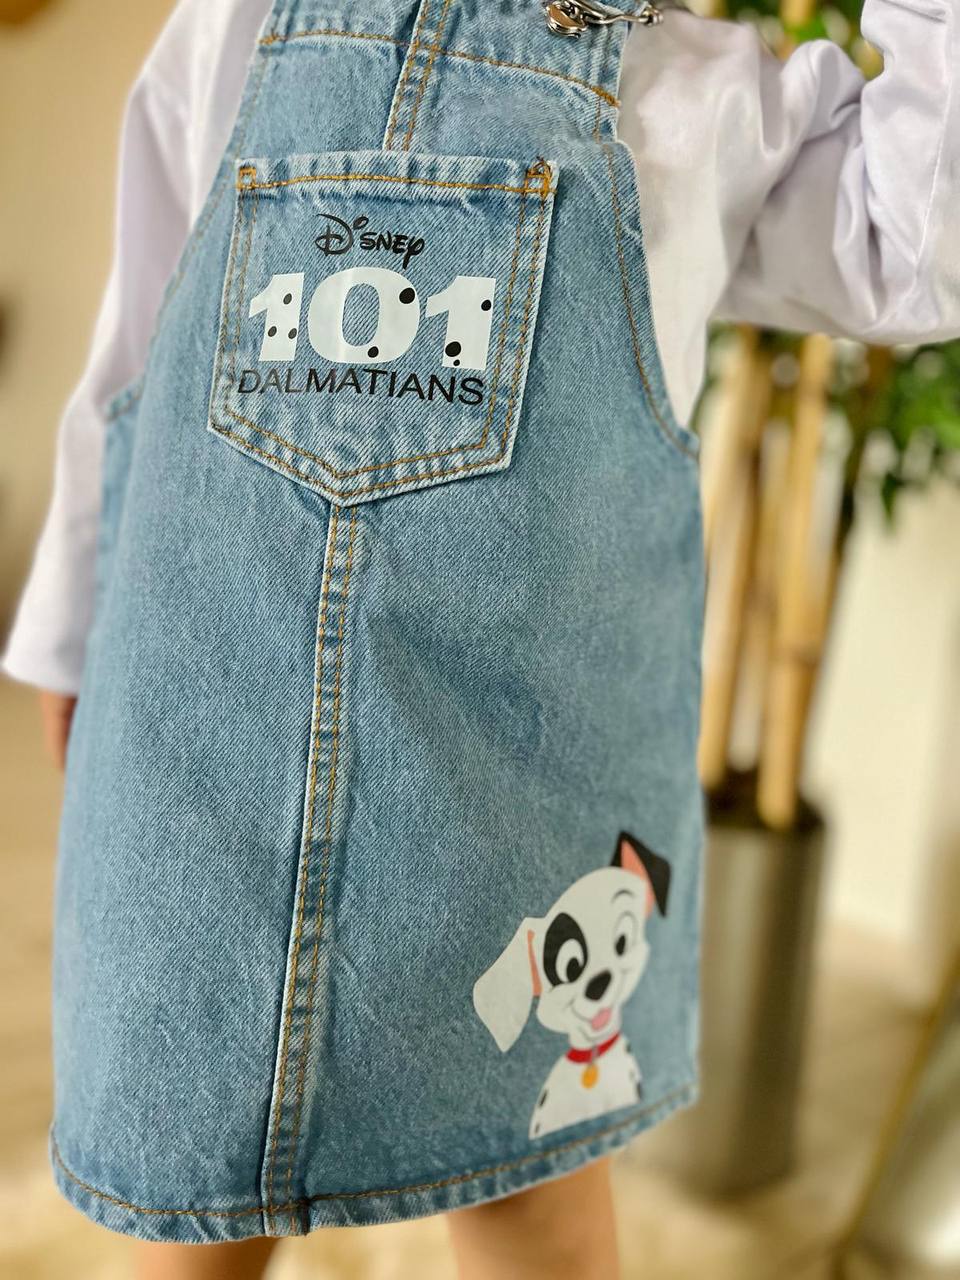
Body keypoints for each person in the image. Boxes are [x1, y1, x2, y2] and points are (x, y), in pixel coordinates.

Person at [3, 0, 959, 1276]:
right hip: (208, 718)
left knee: (530, 1178)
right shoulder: (234, 25)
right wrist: (69, 617)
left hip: (514, 768)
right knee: (198, 1154)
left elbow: (918, 238)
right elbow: (135, 346)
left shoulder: (697, 95)